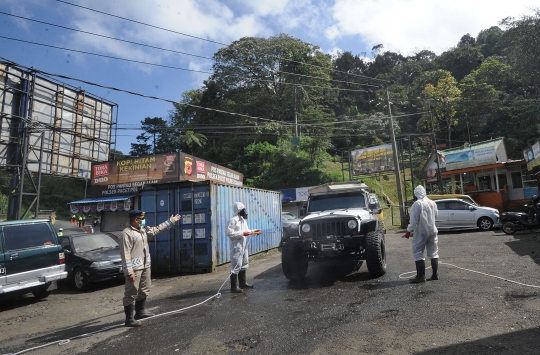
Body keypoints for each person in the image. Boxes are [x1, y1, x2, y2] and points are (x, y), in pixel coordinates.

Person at [120, 210, 181, 327]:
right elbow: (125, 254)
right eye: (142, 218)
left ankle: (140, 312)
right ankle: (129, 319)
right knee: (131, 292)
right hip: (134, 268)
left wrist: (171, 221)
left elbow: (156, 229)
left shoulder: (143, 230)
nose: (143, 220)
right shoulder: (126, 234)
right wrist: (129, 272)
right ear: (136, 220)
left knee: (145, 288)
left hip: (145, 265)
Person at [403, 185, 439, 283]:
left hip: (422, 231)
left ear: (416, 193)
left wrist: (408, 231)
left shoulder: (417, 204)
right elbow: (436, 216)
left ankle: (421, 275)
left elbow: (413, 221)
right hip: (433, 230)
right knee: (433, 252)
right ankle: (435, 274)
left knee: (417, 251)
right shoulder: (433, 203)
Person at [226, 202, 260, 293]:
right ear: (238, 210)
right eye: (242, 209)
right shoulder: (233, 220)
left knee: (244, 264)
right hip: (236, 246)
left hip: (244, 245)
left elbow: (247, 231)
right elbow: (230, 234)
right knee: (236, 265)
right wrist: (242, 234)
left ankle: (242, 283)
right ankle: (233, 287)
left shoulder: (243, 221)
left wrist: (254, 232)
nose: (244, 211)